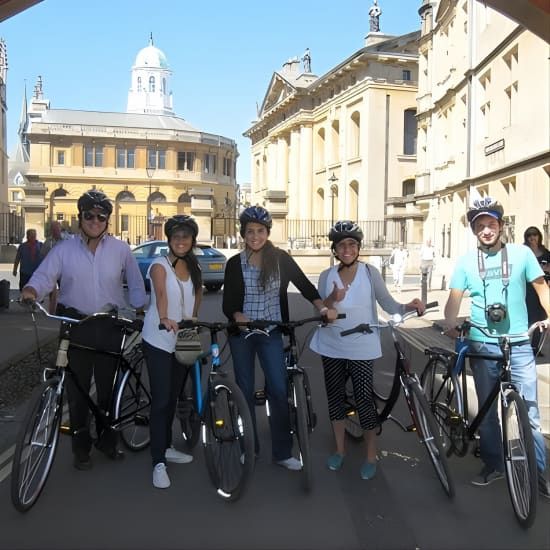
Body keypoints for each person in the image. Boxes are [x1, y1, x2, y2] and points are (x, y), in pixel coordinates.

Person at [21, 191, 147, 471]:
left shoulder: (121, 250)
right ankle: (81, 447)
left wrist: (140, 309)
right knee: (76, 390)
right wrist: (31, 290)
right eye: (89, 215)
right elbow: (44, 276)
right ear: (80, 218)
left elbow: (136, 283)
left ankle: (107, 440)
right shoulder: (63, 250)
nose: (95, 220)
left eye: (101, 216)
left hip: (109, 324)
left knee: (107, 388)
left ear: (107, 220)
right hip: (75, 324)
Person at [443, 198, 549, 497]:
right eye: (480, 226)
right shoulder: (465, 261)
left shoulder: (521, 254)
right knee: (489, 411)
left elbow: (542, 288)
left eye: (491, 224)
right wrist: (450, 323)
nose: (486, 230)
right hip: (483, 342)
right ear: (475, 231)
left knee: (528, 409)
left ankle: (538, 472)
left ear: (501, 226)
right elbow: (454, 297)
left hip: (518, 342)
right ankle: (493, 464)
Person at [222, 206, 337, 470]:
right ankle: (248, 448)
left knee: (278, 388)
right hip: (243, 335)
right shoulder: (234, 264)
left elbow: (305, 286)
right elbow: (228, 304)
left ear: (267, 233)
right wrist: (237, 314)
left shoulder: (280, 258)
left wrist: (322, 308)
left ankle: (283, 451)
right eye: (250, 231)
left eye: (260, 231)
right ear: (243, 234)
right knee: (244, 390)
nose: (255, 236)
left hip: (271, 331)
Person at [309, 221, 425, 480]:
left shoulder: (370, 273)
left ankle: (371, 455)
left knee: (364, 400)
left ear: (359, 248)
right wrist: (331, 301)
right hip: (332, 344)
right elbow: (319, 311)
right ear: (335, 250)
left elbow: (389, 305)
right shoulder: (327, 276)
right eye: (342, 245)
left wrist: (409, 305)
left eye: (352, 244)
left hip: (362, 345)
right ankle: (340, 450)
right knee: (335, 397)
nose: (347, 249)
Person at [142, 215, 202, 489]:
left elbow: (196, 296)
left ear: (191, 241)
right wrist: (165, 317)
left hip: (185, 337)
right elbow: (161, 293)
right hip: (160, 338)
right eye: (176, 237)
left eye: (185, 237)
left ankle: (165, 446)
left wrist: (193, 320)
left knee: (175, 395)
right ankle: (158, 463)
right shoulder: (159, 265)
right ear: (169, 240)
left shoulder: (194, 267)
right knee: (162, 400)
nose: (181, 241)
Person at [523, 226, 550, 355]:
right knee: (527, 317)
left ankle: (535, 347)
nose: (532, 238)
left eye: (535, 235)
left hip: (542, 287)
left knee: (540, 317)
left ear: (539, 236)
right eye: (529, 236)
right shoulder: (523, 252)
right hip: (527, 288)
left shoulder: (545, 253)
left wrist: (546, 269)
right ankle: (523, 346)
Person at [40, 221, 68, 314]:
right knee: (52, 290)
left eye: (57, 229)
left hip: (64, 270)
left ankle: (64, 307)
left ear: (60, 229)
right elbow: (42, 254)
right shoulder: (48, 241)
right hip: (52, 269)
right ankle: (53, 311)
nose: (55, 231)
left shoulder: (67, 240)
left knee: (64, 288)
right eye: (53, 229)